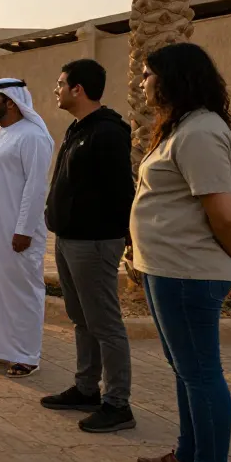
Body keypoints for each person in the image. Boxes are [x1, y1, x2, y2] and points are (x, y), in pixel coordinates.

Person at [130, 43, 231, 462]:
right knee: (187, 371)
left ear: (173, 78)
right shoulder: (184, 127)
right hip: (169, 268)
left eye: (148, 74)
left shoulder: (201, 132)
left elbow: (222, 213)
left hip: (187, 273)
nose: (142, 83)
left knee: (202, 374)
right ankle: (189, 456)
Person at [40, 59, 137, 433]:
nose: (57, 89)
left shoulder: (108, 133)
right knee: (82, 318)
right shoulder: (77, 128)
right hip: (70, 239)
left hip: (94, 242)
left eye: (61, 83)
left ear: (78, 89)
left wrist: (123, 237)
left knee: (105, 323)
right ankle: (86, 388)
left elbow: (120, 190)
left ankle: (118, 403)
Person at [0, 78, 54, 378]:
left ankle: (26, 354)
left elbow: (35, 187)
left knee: (22, 290)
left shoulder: (32, 136)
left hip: (16, 230)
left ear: (10, 102)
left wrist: (25, 230)